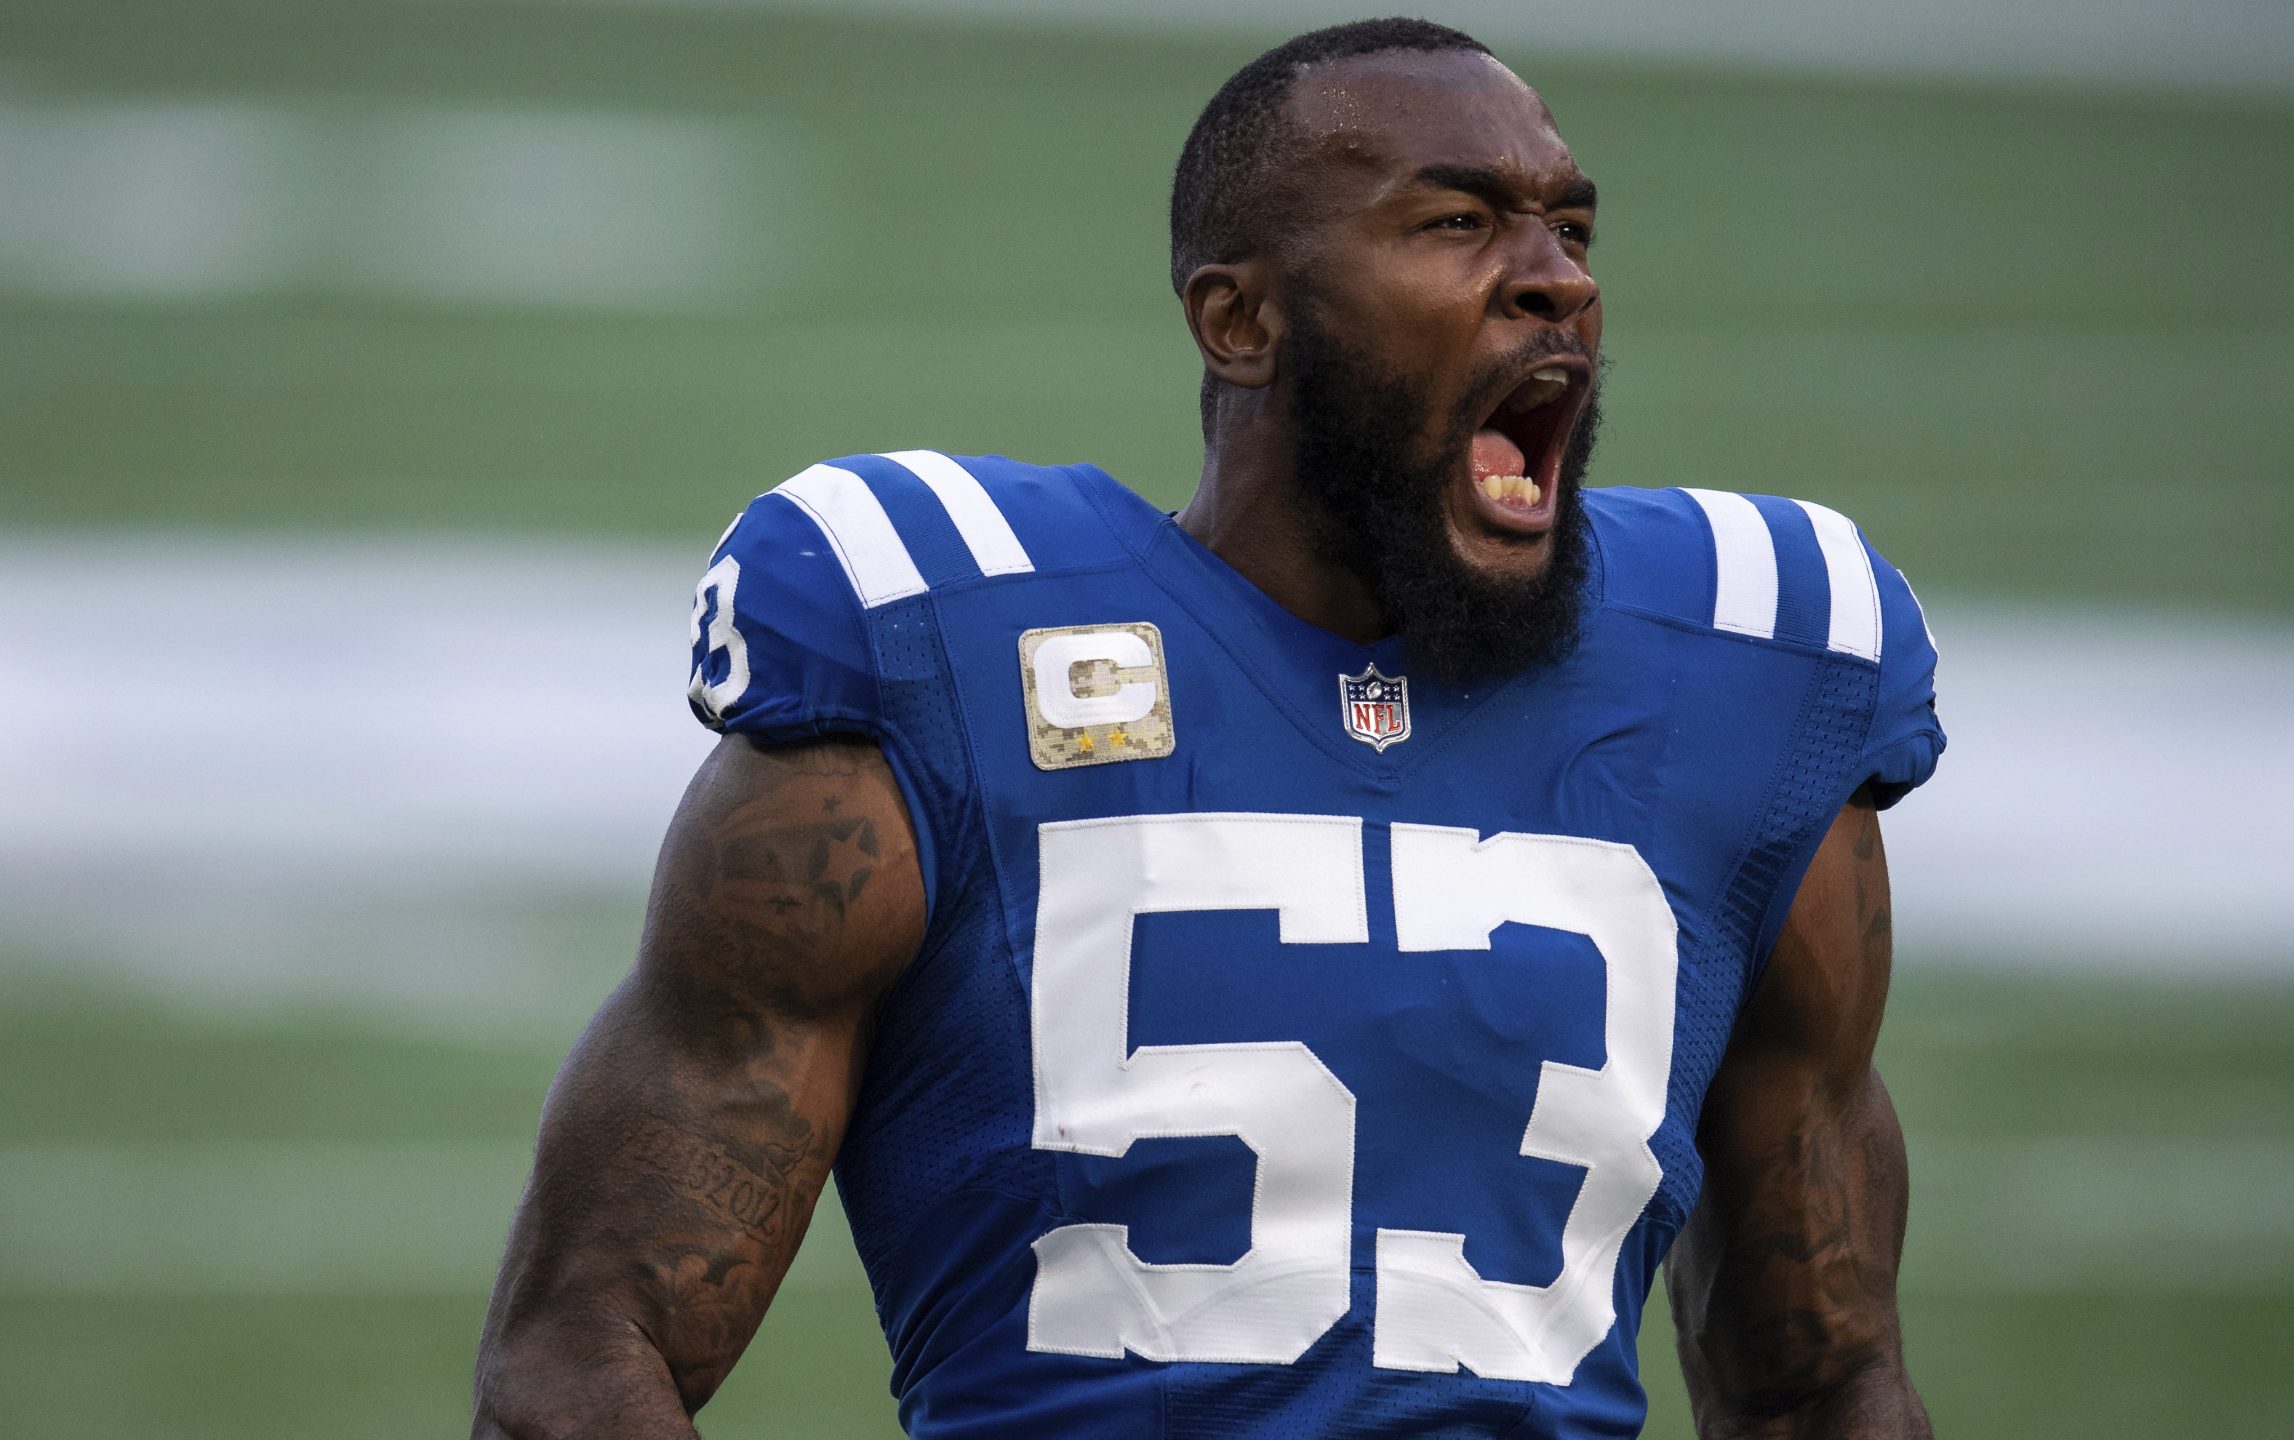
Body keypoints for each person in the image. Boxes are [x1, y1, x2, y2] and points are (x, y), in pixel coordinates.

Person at [471, 18, 1943, 1439]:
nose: (1555, 278)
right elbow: (578, 1363)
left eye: (1571, 228)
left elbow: (1822, 1386)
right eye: (1458, 223)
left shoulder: (1752, 678)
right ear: (1240, 322)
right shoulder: (941, 655)